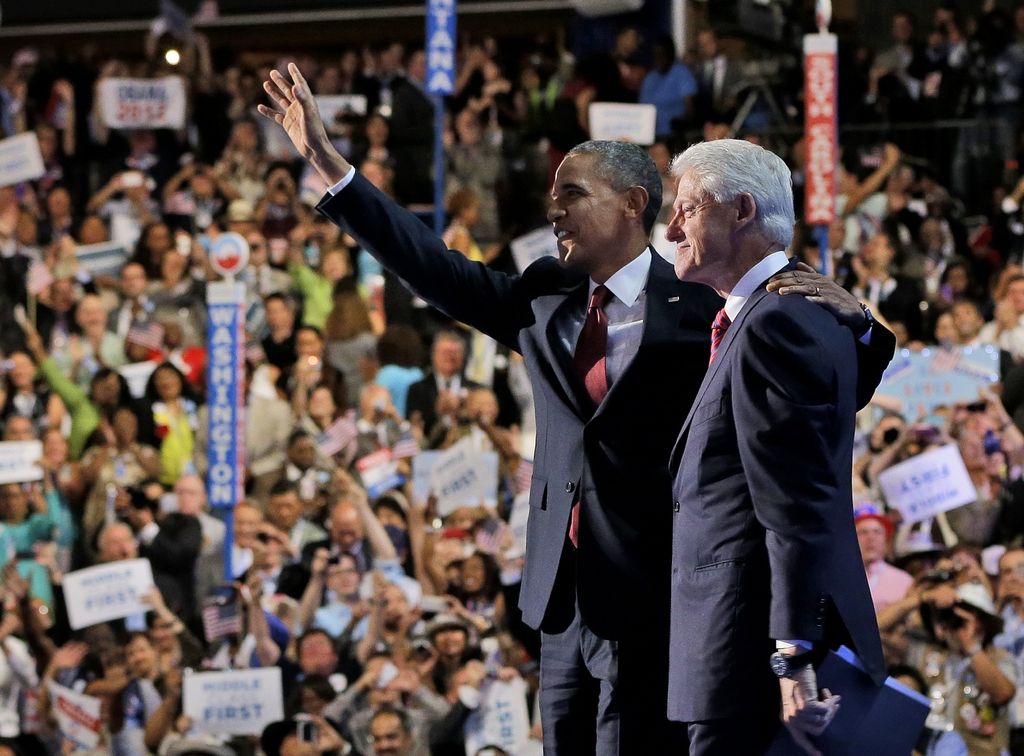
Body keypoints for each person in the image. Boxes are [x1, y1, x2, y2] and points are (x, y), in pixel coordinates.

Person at [257, 64, 894, 754]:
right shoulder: (543, 297)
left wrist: (864, 328)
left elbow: (811, 398)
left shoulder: (706, 300)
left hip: (654, 595)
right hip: (558, 603)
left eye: (571, 193)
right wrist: (330, 166)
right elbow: (433, 268)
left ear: (632, 202)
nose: (553, 209)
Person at [664, 138, 893, 754]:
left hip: (749, 657)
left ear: (740, 211)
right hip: (746, 650)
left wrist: (791, 653)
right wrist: (871, 329)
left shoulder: (775, 320)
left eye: (686, 207)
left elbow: (796, 497)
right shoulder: (805, 311)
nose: (670, 225)